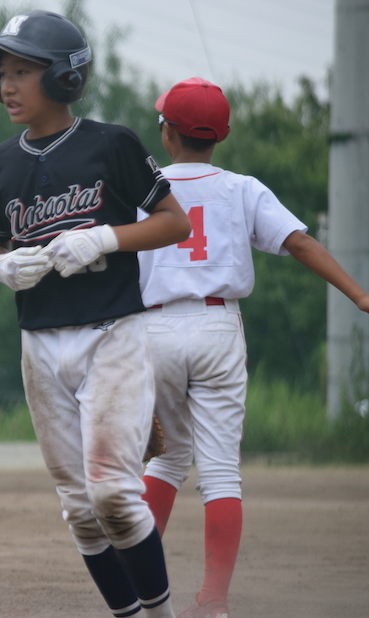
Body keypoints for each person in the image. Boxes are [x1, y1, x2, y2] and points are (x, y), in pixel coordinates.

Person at [0, 10, 192, 618]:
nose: (7, 85)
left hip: (111, 331)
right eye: (2, 73)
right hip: (39, 344)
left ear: (65, 77)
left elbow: (175, 223)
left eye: (22, 70)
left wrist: (106, 238)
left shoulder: (111, 144)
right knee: (79, 506)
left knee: (113, 495)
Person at [139, 77, 369, 618]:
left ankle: (135, 590)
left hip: (154, 330)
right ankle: (212, 602)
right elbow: (300, 242)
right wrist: (360, 295)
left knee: (166, 462)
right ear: (220, 136)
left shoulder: (141, 190)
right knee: (220, 471)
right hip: (217, 326)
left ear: (167, 133)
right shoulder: (241, 188)